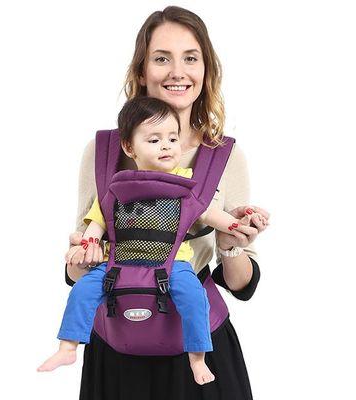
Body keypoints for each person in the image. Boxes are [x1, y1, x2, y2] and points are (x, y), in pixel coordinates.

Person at [66, 6, 269, 400]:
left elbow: (241, 285)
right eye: (162, 59)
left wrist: (231, 246)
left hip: (200, 349)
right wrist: (81, 257)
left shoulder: (225, 156)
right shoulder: (103, 152)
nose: (178, 71)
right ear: (141, 71)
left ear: (205, 70)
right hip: (117, 350)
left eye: (190, 58)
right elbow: (75, 274)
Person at [38, 97, 266, 384]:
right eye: (155, 140)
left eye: (173, 138)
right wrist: (86, 248)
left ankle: (197, 358)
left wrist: (238, 225)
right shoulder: (115, 187)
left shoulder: (186, 186)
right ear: (129, 147)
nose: (166, 146)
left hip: (173, 263)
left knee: (195, 297)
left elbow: (211, 215)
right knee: (83, 289)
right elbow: (95, 226)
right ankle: (68, 346)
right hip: (118, 264)